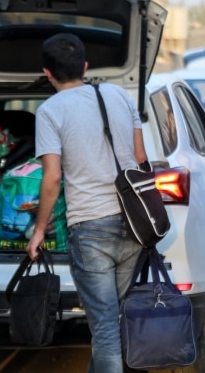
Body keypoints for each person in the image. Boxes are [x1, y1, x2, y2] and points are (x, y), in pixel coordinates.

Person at [26, 33, 145, 372]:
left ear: (47, 74)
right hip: (133, 221)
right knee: (115, 319)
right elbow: (139, 157)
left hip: (90, 228)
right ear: (86, 66)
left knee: (105, 328)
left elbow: (51, 178)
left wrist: (38, 231)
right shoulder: (117, 94)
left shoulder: (49, 111)